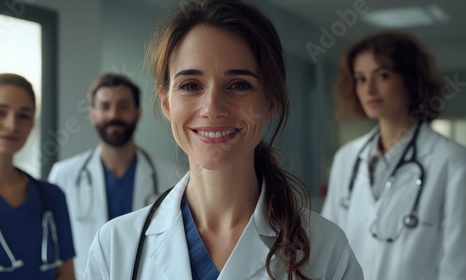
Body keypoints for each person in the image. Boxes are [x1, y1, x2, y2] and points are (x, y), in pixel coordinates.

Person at [85, 1, 363, 279]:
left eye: (239, 85)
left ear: (271, 102)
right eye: (191, 86)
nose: (213, 108)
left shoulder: (326, 249)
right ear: (166, 103)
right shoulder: (115, 247)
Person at [321, 31, 466, 279]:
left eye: (383, 75)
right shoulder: (347, 158)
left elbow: (458, 260)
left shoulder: (451, 160)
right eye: (360, 79)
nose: (369, 89)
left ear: (410, 79)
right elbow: (327, 245)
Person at [48, 73, 179, 278]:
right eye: (105, 106)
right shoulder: (63, 175)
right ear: (92, 114)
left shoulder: (171, 176)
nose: (113, 115)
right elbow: (54, 250)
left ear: (137, 113)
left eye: (123, 105)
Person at [0, 73, 75, 279]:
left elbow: (66, 275)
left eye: (23, 115)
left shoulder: (51, 197)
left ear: (32, 125)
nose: (11, 125)